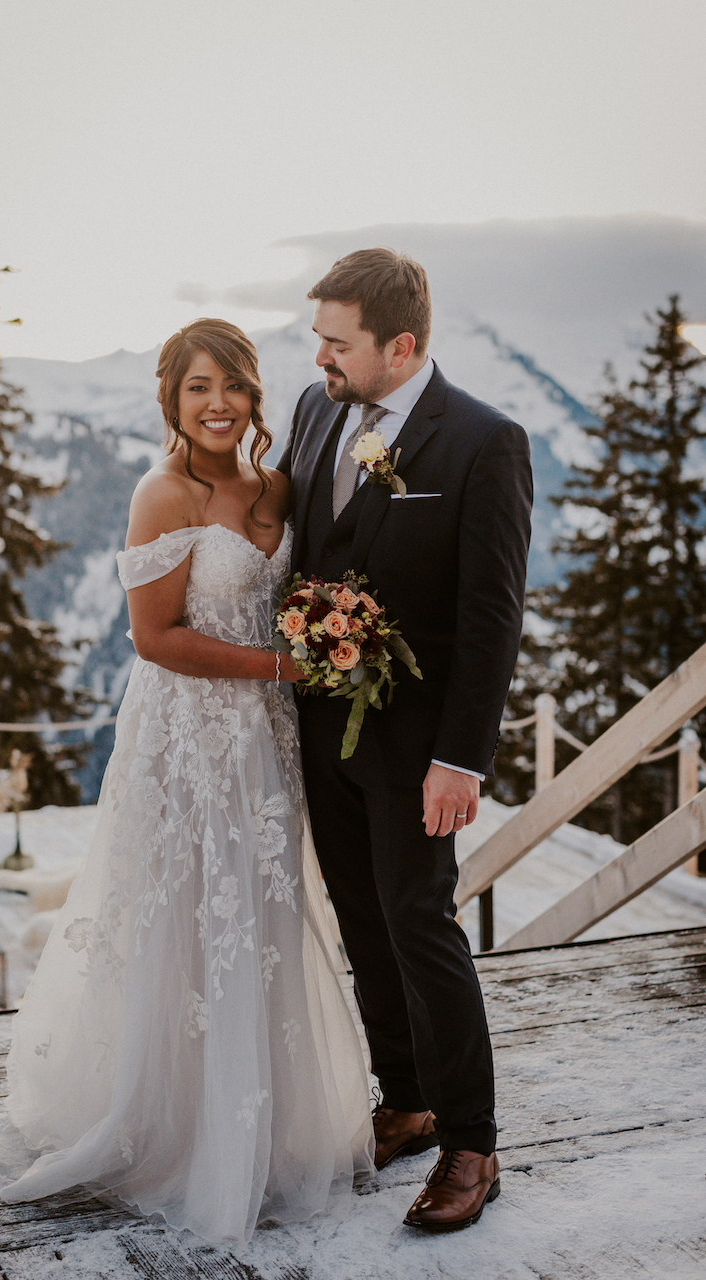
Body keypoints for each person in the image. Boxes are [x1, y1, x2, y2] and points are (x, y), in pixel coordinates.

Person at [0, 318, 375, 1248]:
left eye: (233, 387)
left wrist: (329, 635)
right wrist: (282, 670)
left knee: (264, 909)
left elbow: (289, 597)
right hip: (190, 740)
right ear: (172, 398)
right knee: (190, 914)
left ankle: (268, 1128)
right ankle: (179, 1128)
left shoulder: (275, 484)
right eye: (198, 388)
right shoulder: (160, 494)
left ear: (253, 395)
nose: (217, 405)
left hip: (269, 742)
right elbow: (153, 637)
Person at [278, 249, 532, 1233]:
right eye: (318, 338)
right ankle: (406, 1098)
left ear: (402, 346)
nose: (319, 356)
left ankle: (471, 1139)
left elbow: (489, 616)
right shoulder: (314, 407)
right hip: (320, 730)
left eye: (336, 342)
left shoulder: (482, 442)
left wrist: (460, 758)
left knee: (420, 921)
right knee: (359, 914)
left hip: (418, 743)